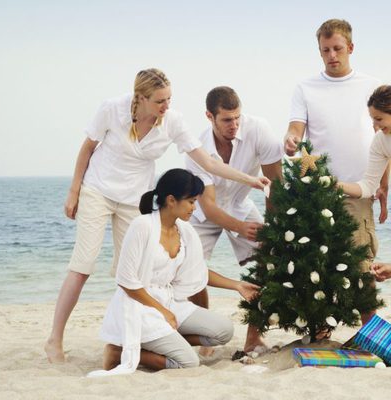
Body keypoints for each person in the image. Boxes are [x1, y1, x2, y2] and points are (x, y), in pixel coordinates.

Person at [45, 68, 270, 363]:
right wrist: (74, 190)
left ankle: (131, 337)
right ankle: (55, 340)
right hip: (97, 190)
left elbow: (208, 163)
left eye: (169, 99)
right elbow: (88, 147)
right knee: (83, 265)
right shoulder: (112, 109)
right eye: (160, 101)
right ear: (141, 98)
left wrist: (249, 180)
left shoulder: (172, 121)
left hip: (134, 199)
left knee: (138, 273)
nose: (166, 106)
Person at [87, 169, 260, 377]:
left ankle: (162, 341)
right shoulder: (142, 226)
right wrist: (162, 311)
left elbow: (198, 271)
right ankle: (118, 352)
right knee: (188, 362)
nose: (194, 208)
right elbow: (126, 281)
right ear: (171, 200)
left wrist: (237, 285)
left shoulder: (184, 231)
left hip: (169, 300)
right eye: (190, 201)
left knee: (224, 330)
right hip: (140, 305)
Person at [283, 19, 389, 325]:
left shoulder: (373, 86)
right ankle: (321, 329)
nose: (332, 55)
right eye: (325, 50)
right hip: (318, 190)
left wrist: (384, 187)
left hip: (358, 188)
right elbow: (295, 129)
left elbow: (384, 141)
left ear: (351, 48)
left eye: (337, 48)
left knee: (359, 262)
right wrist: (291, 141)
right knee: (318, 263)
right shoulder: (305, 87)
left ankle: (369, 328)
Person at [185, 86, 283, 354]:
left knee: (270, 256)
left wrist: (274, 229)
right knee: (191, 269)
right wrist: (240, 228)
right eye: (227, 120)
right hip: (205, 214)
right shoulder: (196, 150)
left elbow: (276, 183)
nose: (234, 125)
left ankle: (254, 336)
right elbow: (209, 205)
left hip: (241, 205)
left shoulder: (259, 129)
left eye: (237, 117)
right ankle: (203, 331)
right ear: (210, 116)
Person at [338, 85, 391, 282]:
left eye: (379, 119)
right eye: (372, 119)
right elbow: (368, 185)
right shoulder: (381, 141)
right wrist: (334, 184)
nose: (375, 126)